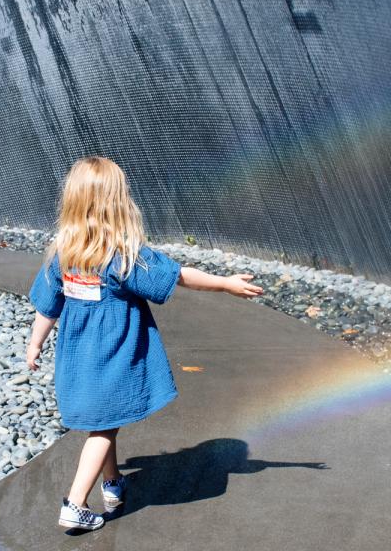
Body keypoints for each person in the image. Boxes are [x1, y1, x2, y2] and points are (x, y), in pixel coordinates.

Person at [25, 156, 263, 532]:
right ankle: (75, 503)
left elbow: (47, 306)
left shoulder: (63, 252)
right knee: (102, 429)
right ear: (116, 201)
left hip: (79, 355)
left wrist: (35, 344)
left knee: (106, 420)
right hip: (113, 353)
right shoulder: (120, 253)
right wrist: (225, 283)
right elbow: (178, 275)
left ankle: (113, 482)